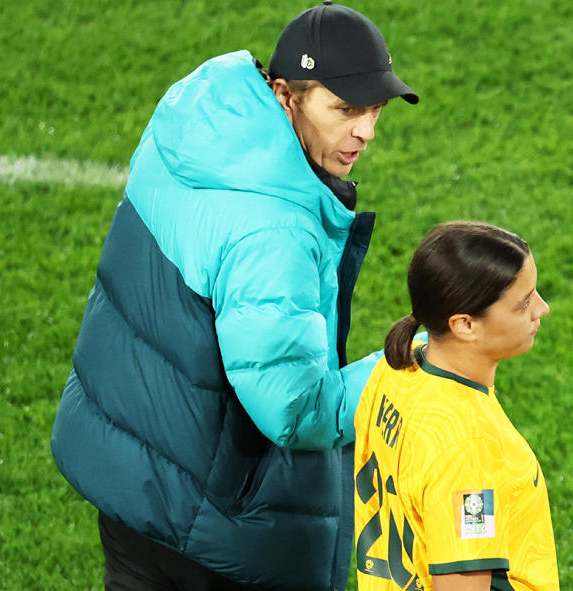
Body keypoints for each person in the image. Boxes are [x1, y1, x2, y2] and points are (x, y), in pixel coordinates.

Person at [50, 2, 417, 590]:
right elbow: (296, 411)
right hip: (210, 521)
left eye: (375, 110)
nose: (366, 131)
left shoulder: (196, 126)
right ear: (283, 93)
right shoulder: (276, 229)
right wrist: (410, 364)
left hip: (129, 472)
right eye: (344, 109)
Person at [353, 221, 559, 591]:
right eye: (524, 302)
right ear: (464, 324)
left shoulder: (394, 368)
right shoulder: (468, 446)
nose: (541, 308)